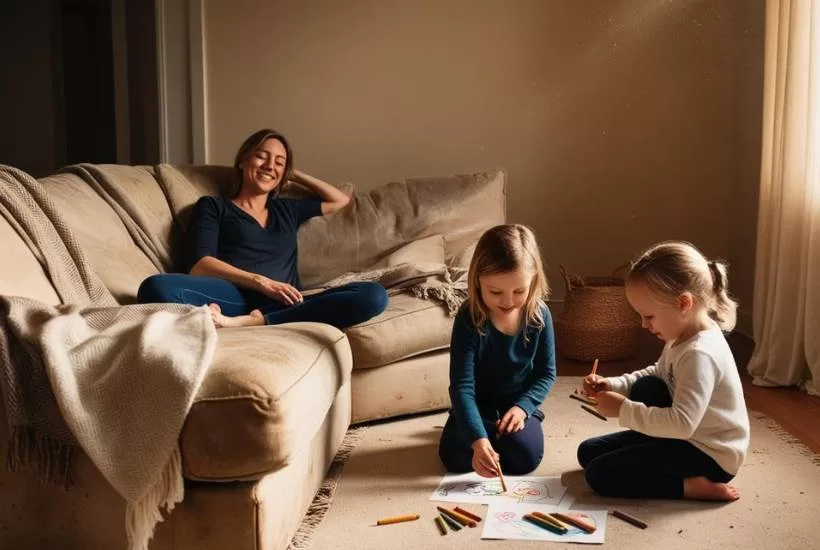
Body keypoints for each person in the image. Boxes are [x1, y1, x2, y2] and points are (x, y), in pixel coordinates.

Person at [137, 128, 388, 329]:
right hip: (235, 295)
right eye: (262, 156)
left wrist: (293, 173)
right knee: (155, 288)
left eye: (279, 162)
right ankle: (254, 317)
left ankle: (257, 321)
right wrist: (260, 282)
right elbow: (200, 265)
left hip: (288, 300)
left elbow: (341, 200)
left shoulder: (288, 210)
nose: (270, 166)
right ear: (243, 161)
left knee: (374, 296)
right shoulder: (214, 207)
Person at [577, 241, 749, 501]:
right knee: (588, 452)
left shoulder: (699, 353)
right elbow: (658, 373)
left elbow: (682, 424)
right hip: (686, 438)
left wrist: (623, 410)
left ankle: (691, 487)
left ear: (683, 303)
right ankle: (659, 454)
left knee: (600, 474)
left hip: (711, 455)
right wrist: (612, 384)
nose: (644, 325)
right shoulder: (682, 334)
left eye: (649, 316)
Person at [438, 224, 556, 478]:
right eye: (495, 292)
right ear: (477, 280)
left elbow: (546, 374)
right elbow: (462, 386)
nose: (507, 301)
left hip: (516, 404)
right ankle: (485, 434)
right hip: (476, 404)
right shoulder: (469, 317)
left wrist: (524, 408)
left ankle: (495, 433)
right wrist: (478, 439)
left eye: (519, 291)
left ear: (534, 278)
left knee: (524, 457)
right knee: (456, 456)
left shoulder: (540, 315)